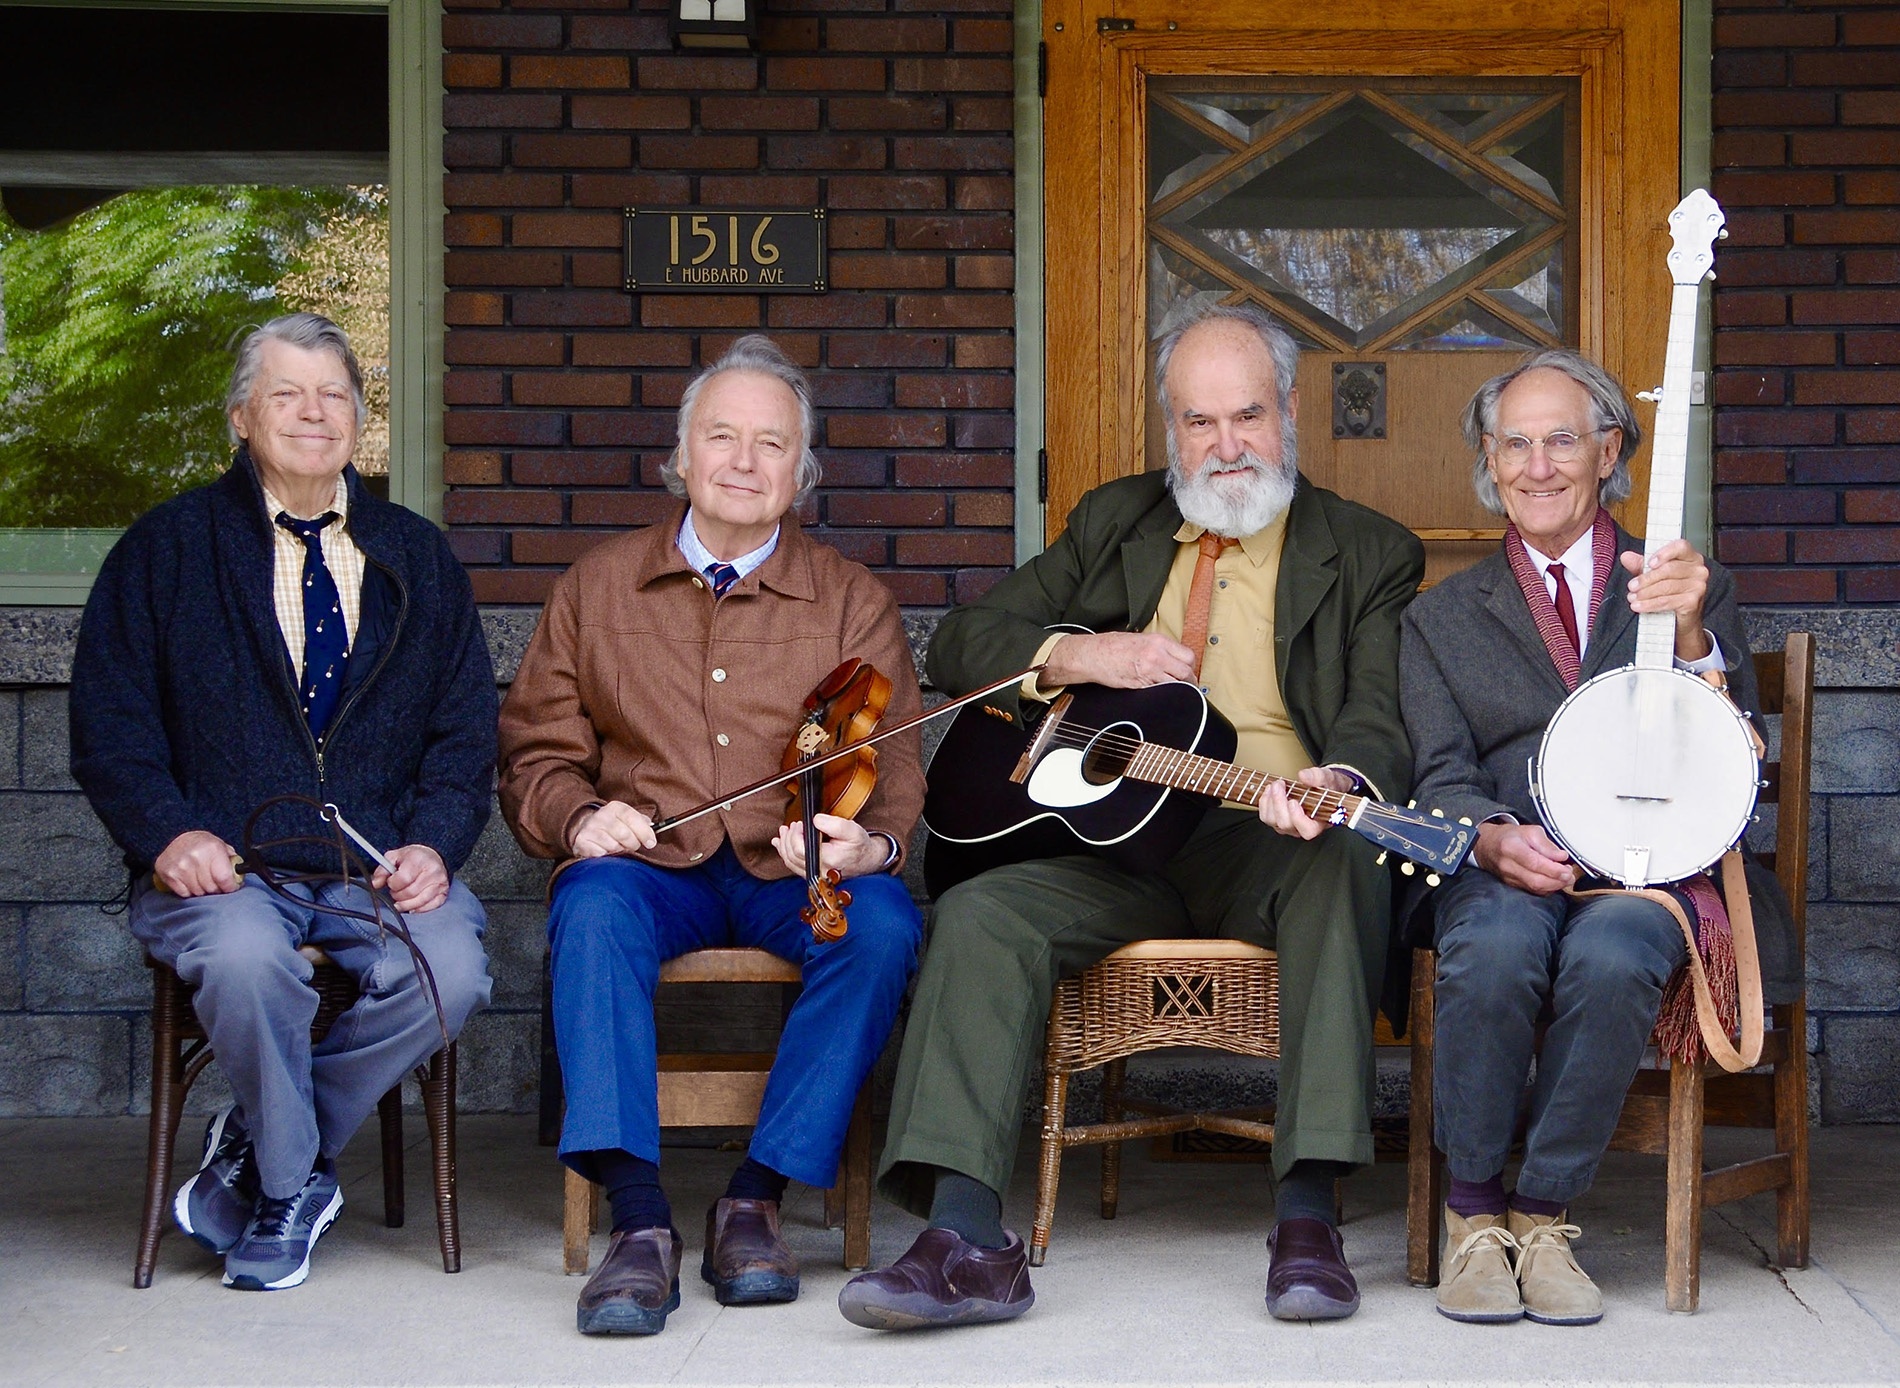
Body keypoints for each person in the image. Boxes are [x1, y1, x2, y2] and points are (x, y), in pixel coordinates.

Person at [839, 301, 1424, 1330]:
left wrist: (1338, 779)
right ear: (1171, 431)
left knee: (1346, 861)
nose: (1226, 444)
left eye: (1246, 414)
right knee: (982, 914)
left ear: (1287, 411)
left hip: (1267, 830)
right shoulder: (1117, 521)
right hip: (1114, 837)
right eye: (1199, 423)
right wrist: (1076, 655)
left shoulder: (1368, 549)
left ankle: (1306, 1212)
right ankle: (965, 1235)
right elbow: (965, 641)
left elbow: (1377, 710)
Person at [497, 335, 927, 1337]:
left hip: (791, 871)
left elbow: (895, 765)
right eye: (721, 436)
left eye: (770, 442)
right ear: (680, 456)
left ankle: (755, 1197)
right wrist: (579, 813)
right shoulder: (597, 586)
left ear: (801, 470)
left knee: (880, 930)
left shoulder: (853, 598)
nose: (743, 460)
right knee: (591, 906)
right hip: (656, 870)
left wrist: (872, 846)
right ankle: (639, 1223)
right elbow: (533, 754)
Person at [70, 312, 496, 1291]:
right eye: (287, 394)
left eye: (334, 395)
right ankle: (288, 1182)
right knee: (246, 956)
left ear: (359, 419)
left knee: (455, 970)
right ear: (240, 416)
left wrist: (435, 841)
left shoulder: (417, 555)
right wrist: (168, 833)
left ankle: (260, 1152)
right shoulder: (167, 548)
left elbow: (466, 732)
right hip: (224, 869)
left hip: (371, 866)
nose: (314, 413)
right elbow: (111, 726)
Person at [1398, 348, 1763, 1326]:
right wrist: (1484, 840)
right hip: (1509, 866)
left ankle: (1542, 1211)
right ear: (1488, 459)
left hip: (1649, 871)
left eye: (1562, 439)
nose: (1538, 463)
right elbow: (1438, 772)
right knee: (1498, 939)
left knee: (1611, 949)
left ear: (1608, 449)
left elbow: (1742, 747)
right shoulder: (1439, 618)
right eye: (1513, 442)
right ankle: (1472, 1215)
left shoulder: (1680, 580)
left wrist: (1690, 635)